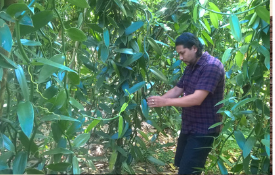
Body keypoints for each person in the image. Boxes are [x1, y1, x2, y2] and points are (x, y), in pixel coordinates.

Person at [147, 32, 225, 174]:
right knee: (183, 166)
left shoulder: (211, 66)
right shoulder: (191, 66)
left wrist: (164, 102)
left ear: (194, 48)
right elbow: (178, 89)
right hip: (190, 126)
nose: (180, 58)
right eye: (179, 54)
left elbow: (197, 98)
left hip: (203, 130)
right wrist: (156, 101)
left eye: (182, 53)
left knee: (189, 171)